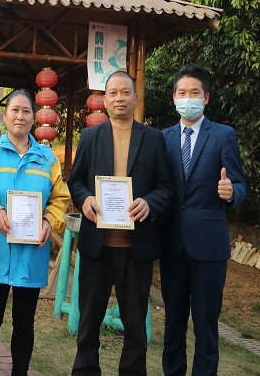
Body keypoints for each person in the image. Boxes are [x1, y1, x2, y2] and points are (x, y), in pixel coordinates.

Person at [69, 71, 173, 376]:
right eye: (112, 93)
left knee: (135, 328)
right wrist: (85, 199)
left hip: (136, 250)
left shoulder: (153, 139)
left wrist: (150, 203)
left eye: (125, 92)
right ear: (104, 100)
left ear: (135, 98)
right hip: (96, 247)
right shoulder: (90, 137)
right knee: (88, 323)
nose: (119, 98)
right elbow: (76, 181)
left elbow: (166, 187)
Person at [0, 90, 71, 376]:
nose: (20, 116)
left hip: (31, 254)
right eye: (14, 110)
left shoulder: (46, 158)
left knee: (24, 322)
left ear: (33, 117)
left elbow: (60, 199)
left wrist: (49, 221)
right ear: (5, 116)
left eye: (26, 111)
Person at [161, 63, 247, 376]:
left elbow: (241, 186)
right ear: (174, 98)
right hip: (172, 247)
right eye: (182, 93)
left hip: (209, 249)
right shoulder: (163, 138)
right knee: (173, 325)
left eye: (194, 93)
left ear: (206, 98)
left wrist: (231, 192)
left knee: (206, 326)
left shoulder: (223, 135)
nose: (188, 98)